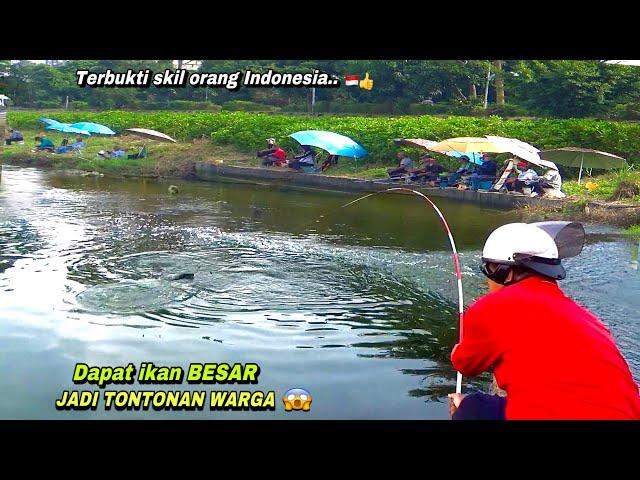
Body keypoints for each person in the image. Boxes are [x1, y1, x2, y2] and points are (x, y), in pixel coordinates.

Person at [448, 221, 640, 420]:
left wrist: (458, 352)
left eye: (487, 269)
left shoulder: (491, 307)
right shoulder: (589, 319)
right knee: (478, 404)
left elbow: (466, 365)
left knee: (467, 409)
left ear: (504, 271)